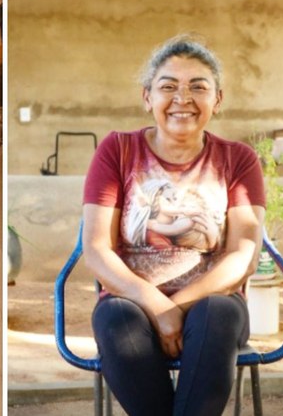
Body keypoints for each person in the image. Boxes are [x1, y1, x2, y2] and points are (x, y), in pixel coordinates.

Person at [83, 34, 265, 416]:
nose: (182, 98)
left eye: (198, 87)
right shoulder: (117, 151)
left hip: (216, 306)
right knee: (117, 317)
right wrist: (155, 306)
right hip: (131, 304)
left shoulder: (238, 159)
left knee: (215, 314)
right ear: (147, 97)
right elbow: (97, 249)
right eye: (168, 86)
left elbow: (243, 253)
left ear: (217, 99)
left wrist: (176, 308)